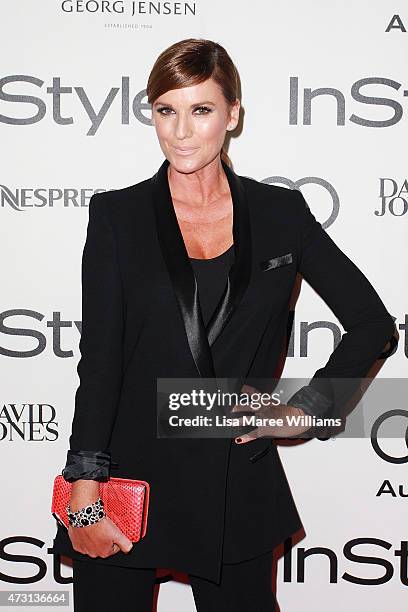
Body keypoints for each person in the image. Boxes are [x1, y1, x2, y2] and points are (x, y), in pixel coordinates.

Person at [51, 38, 399, 611]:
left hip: (236, 477)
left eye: (201, 110)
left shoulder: (279, 214)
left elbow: (371, 323)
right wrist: (84, 494)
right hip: (129, 476)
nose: (181, 131)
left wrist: (307, 409)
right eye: (167, 110)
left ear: (232, 115)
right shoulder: (118, 216)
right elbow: (101, 362)